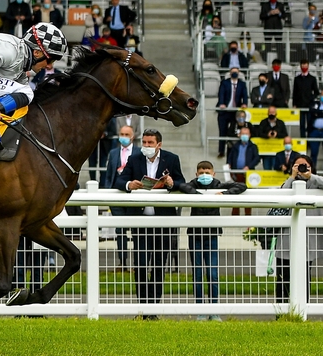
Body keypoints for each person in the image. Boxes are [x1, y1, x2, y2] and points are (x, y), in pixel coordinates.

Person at [114, 129, 185, 319]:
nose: (146, 146)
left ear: (159, 144)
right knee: (141, 265)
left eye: (150, 143)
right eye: (144, 142)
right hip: (140, 222)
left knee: (159, 267)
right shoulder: (134, 159)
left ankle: (153, 309)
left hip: (163, 222)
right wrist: (129, 185)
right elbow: (119, 180)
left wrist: (171, 183)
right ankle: (143, 308)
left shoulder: (172, 159)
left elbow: (181, 182)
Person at [180, 160, 245, 320]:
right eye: (201, 172)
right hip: (195, 234)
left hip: (212, 233)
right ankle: (201, 310)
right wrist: (198, 196)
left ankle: (214, 309)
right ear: (196, 174)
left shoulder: (218, 186)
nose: (204, 175)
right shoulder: (192, 185)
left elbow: (241, 186)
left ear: (214, 174)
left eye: (207, 172)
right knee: (197, 273)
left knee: (213, 273)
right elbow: (181, 185)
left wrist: (224, 194)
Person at [274, 155, 323, 304]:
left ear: (311, 167)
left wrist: (310, 176)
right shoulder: (289, 182)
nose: (301, 168)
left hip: (309, 238)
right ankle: (281, 310)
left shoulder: (316, 183)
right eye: (297, 165)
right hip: (287, 237)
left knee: (305, 275)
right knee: (283, 275)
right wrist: (292, 176)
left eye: (305, 165)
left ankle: (303, 308)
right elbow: (281, 195)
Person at [104, 125, 141, 271]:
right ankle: (123, 262)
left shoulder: (139, 152)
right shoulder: (113, 153)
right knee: (120, 231)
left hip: (134, 197)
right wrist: (108, 192)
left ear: (132, 137)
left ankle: (137, 262)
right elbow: (108, 175)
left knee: (136, 232)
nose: (123, 137)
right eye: (121, 134)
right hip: (116, 196)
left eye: (126, 134)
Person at [215, 67, 247, 158]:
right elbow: (221, 94)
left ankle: (233, 150)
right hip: (224, 111)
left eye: (236, 72)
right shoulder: (224, 83)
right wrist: (221, 103)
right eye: (233, 72)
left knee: (233, 131)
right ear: (230, 73)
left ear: (239, 73)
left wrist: (245, 103)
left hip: (235, 112)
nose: (234, 73)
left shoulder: (242, 84)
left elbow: (245, 95)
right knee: (222, 131)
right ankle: (221, 151)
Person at [292, 59, 320, 137]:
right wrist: (294, 104)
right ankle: (303, 140)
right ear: (300, 66)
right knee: (302, 124)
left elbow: (316, 92)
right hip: (300, 105)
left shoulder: (312, 78)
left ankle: (309, 140)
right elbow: (294, 92)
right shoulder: (297, 79)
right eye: (303, 65)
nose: (304, 67)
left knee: (310, 124)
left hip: (309, 105)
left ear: (308, 66)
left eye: (305, 65)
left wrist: (311, 98)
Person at [257, 105, 288, 170]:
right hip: (266, 151)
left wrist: (277, 134)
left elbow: (285, 134)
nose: (271, 114)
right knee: (267, 169)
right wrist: (267, 135)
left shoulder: (280, 123)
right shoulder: (263, 122)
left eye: (273, 112)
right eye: (270, 112)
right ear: (267, 113)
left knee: (276, 169)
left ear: (276, 113)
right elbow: (259, 133)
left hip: (277, 151)